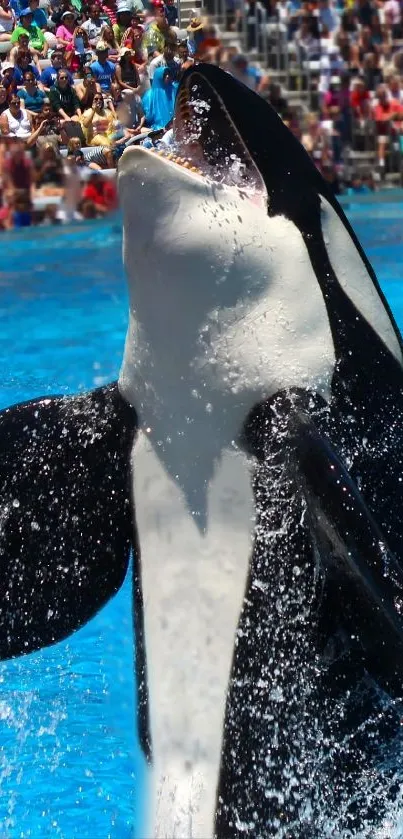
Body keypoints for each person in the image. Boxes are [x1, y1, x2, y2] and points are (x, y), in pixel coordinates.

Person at [142, 65, 177, 130]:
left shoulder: (174, 89)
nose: (167, 76)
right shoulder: (150, 95)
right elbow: (148, 116)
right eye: (164, 74)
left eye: (168, 74)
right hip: (158, 128)